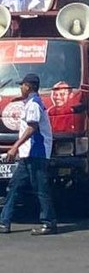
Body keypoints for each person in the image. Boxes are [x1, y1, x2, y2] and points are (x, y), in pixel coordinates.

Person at [0, 74, 57, 235]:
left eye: (22, 85)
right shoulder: (30, 103)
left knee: (41, 189)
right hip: (28, 155)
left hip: (37, 153)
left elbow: (32, 128)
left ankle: (49, 223)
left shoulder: (34, 104)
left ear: (29, 86)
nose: (20, 88)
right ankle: (4, 222)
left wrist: (14, 147)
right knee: (14, 186)